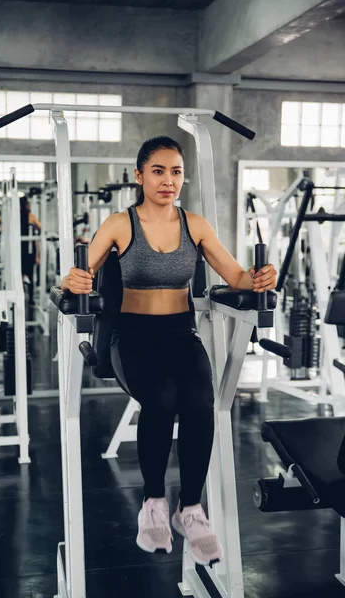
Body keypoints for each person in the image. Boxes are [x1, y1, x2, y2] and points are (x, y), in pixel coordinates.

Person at [61, 136, 277, 565]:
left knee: (201, 401)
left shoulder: (194, 224)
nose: (168, 180)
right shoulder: (120, 225)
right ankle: (154, 501)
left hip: (180, 333)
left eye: (176, 171)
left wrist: (260, 277)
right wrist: (72, 281)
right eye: (158, 171)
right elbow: (79, 275)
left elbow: (235, 274)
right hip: (132, 336)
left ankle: (190, 509)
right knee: (159, 399)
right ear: (140, 176)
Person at [20, 195, 41, 304]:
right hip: (29, 250)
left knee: (21, 274)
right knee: (30, 274)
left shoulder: (16, 218)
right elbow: (40, 228)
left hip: (20, 250)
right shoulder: (31, 217)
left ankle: (22, 296)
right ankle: (31, 299)